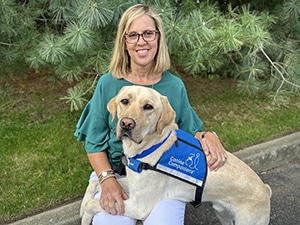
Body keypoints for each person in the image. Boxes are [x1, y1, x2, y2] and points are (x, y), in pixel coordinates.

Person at [74, 4, 227, 225]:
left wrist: (208, 135)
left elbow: (190, 130)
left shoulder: (174, 86)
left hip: (163, 176)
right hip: (116, 173)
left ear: (158, 38)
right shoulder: (109, 84)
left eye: (148, 33)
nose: (141, 41)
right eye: (133, 35)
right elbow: (94, 143)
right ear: (124, 42)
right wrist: (107, 180)